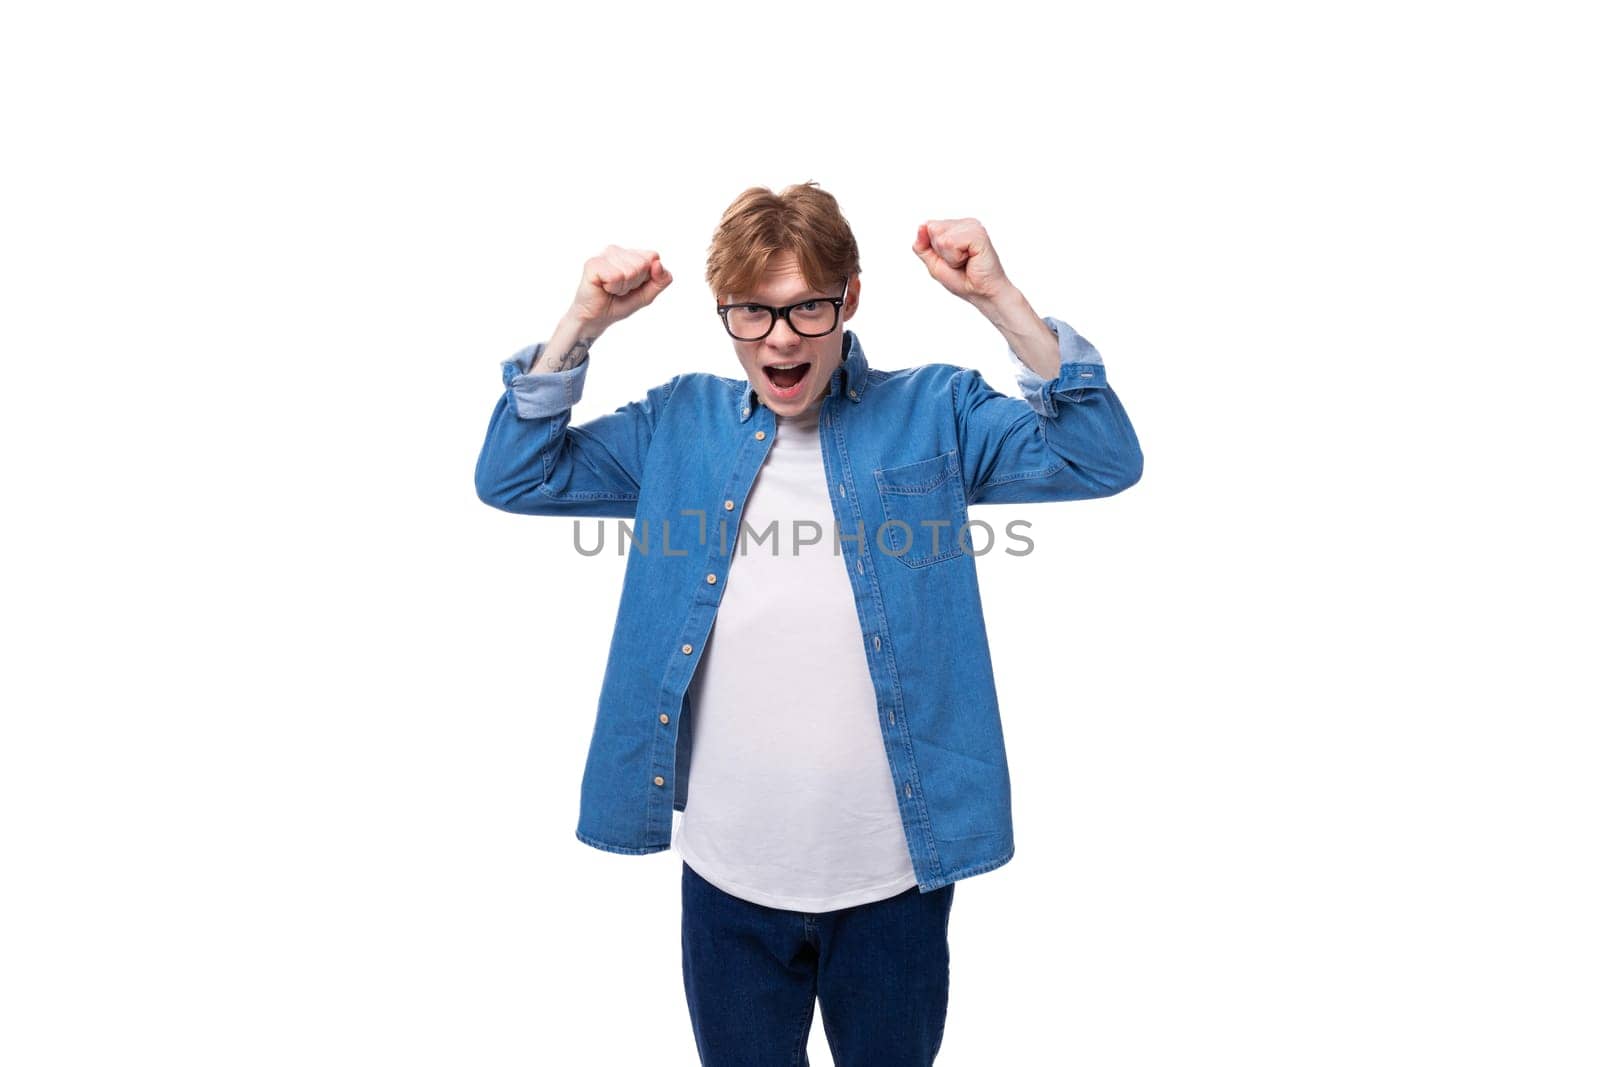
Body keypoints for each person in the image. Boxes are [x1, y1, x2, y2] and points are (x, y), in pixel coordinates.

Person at [474, 181, 1144, 1066]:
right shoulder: (680, 423)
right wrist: (582, 323)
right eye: (751, 313)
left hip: (893, 881)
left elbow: (1099, 456)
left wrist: (998, 299)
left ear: (850, 300)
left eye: (805, 308)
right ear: (725, 314)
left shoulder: (933, 411)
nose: (779, 337)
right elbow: (513, 476)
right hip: (729, 884)